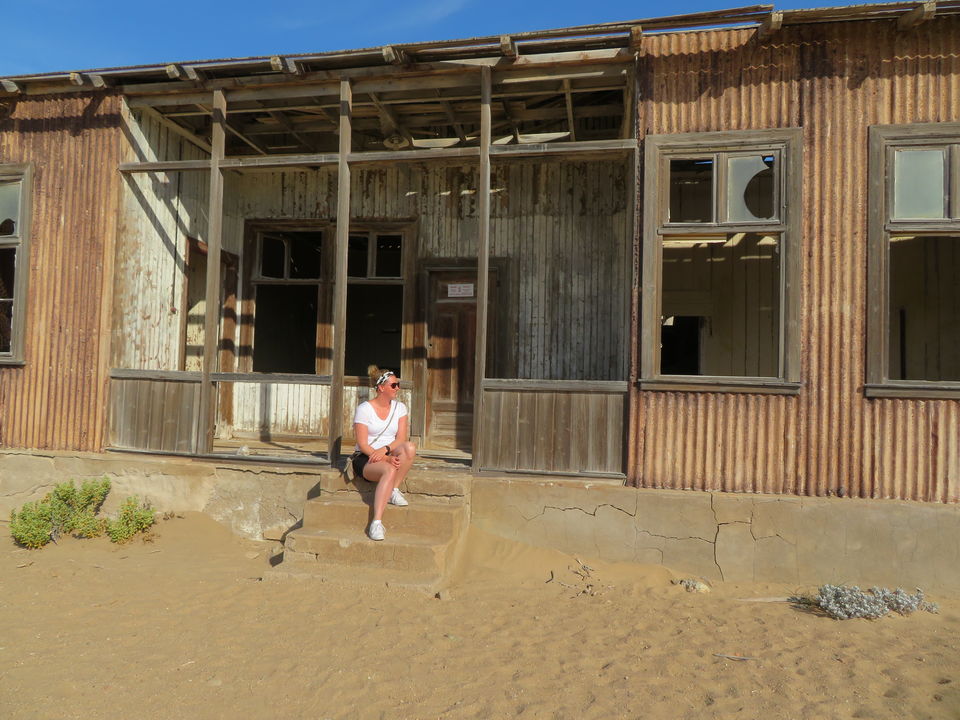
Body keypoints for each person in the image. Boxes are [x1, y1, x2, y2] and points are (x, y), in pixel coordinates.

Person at [352, 365, 417, 541]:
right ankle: (376, 522)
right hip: (366, 457)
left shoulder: (400, 408)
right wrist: (386, 458)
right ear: (381, 388)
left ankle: (393, 490)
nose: (398, 388)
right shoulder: (364, 409)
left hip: (386, 451)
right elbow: (362, 444)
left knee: (410, 447)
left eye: (397, 384)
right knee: (389, 469)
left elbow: (401, 438)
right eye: (394, 385)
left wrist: (386, 450)